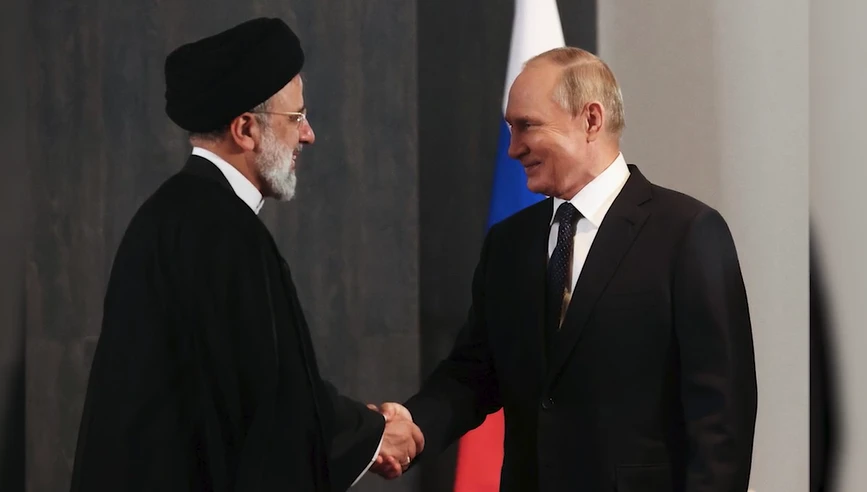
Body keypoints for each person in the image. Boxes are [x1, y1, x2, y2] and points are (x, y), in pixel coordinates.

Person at [372, 47, 758, 491]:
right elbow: (473, 372)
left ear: (591, 120)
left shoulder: (686, 233)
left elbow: (721, 421)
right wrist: (414, 426)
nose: (513, 148)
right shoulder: (509, 244)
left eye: (527, 125)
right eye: (510, 128)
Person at [69, 17, 423, 492]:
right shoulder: (223, 233)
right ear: (246, 129)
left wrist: (363, 429)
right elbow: (270, 402)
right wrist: (374, 434)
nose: (308, 135)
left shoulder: (172, 215)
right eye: (296, 118)